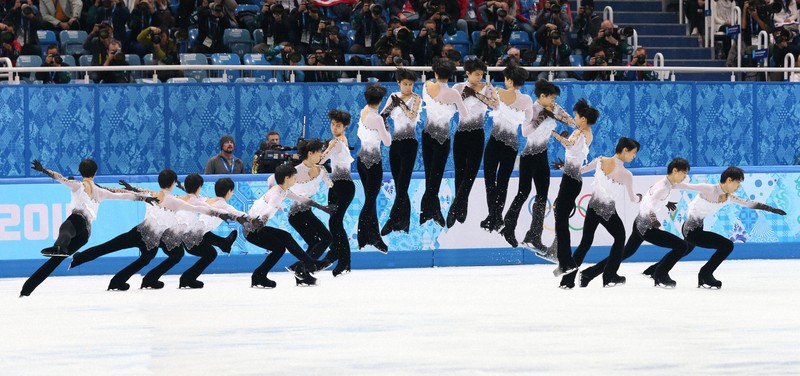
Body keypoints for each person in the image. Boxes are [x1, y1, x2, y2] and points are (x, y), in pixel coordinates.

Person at [70, 170, 238, 290]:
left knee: (111, 246)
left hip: (140, 232)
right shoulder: (174, 200)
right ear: (172, 183)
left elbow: (127, 192)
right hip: (152, 239)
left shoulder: (152, 194)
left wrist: (112, 187)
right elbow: (201, 209)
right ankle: (120, 281)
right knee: (148, 258)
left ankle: (86, 261)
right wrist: (219, 214)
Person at [20, 159, 153, 297]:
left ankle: (60, 246)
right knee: (55, 260)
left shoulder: (77, 186)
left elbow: (60, 178)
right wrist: (144, 198)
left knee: (66, 227)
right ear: (95, 172)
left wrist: (43, 170)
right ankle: (26, 290)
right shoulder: (100, 191)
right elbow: (123, 195)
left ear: (80, 171)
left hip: (77, 222)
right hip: (85, 234)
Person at [641, 166, 786, 289]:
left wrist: (771, 209)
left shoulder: (729, 197)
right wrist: (656, 189)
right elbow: (680, 185)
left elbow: (749, 203)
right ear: (729, 180)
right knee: (727, 245)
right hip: (691, 229)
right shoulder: (707, 189)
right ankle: (704, 275)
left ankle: (653, 270)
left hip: (698, 228)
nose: (738, 187)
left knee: (684, 249)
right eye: (737, 183)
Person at [577, 158, 700, 288]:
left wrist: (666, 203)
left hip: (639, 224)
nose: (685, 177)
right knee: (681, 246)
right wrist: (654, 220)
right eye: (684, 173)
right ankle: (660, 274)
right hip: (647, 228)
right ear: (675, 170)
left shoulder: (665, 183)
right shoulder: (663, 188)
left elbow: (654, 196)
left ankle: (589, 273)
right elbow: (648, 205)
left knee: (624, 253)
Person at [529, 100, 599, 284]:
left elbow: (569, 144)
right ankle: (560, 255)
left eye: (576, 116)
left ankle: (565, 260)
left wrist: (552, 133)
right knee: (559, 214)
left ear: (583, 119)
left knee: (560, 218)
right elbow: (575, 153)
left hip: (571, 180)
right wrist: (564, 165)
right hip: (572, 177)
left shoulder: (579, 132)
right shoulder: (588, 133)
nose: (575, 119)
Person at [558, 137, 643, 289]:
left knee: (586, 242)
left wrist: (565, 167)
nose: (634, 156)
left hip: (592, 206)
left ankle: (567, 281)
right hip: (607, 211)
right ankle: (609, 276)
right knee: (620, 238)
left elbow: (580, 170)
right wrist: (640, 198)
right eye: (633, 153)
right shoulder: (626, 174)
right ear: (625, 150)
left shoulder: (600, 160)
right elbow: (632, 198)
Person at [140, 173, 247, 289]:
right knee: (209, 254)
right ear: (229, 192)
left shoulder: (201, 200)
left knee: (181, 252)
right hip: (180, 236)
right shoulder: (209, 202)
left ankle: (223, 243)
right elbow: (238, 213)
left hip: (175, 233)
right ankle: (186, 278)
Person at [502, 80, 574, 248]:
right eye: (552, 98)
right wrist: (542, 117)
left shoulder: (554, 108)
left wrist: (555, 114)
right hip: (529, 156)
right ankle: (508, 226)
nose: (554, 101)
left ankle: (534, 236)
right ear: (542, 96)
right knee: (523, 192)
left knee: (542, 195)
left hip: (542, 155)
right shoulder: (531, 109)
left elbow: (572, 122)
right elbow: (525, 132)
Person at [243, 163, 331, 288]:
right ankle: (310, 265)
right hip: (253, 229)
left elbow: (302, 199)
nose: (296, 179)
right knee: (280, 246)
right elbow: (269, 208)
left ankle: (260, 276)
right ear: (287, 178)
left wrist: (322, 208)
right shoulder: (276, 194)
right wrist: (264, 219)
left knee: (284, 240)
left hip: (256, 227)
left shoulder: (282, 190)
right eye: (294, 177)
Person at [480, 65, 531, 234]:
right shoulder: (526, 100)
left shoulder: (499, 92)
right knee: (503, 182)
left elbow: (490, 103)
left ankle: (492, 216)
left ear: (509, 80)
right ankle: (497, 217)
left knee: (490, 179)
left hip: (495, 141)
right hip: (512, 144)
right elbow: (529, 119)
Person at [447, 58, 497, 228]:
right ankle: (462, 206)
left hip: (477, 134)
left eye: (482, 74)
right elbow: (451, 108)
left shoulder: (487, 88)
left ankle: (455, 207)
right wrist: (462, 96)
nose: (480, 77)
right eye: (477, 74)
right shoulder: (458, 88)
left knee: (471, 172)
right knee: (459, 172)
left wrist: (477, 94)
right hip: (461, 134)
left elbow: (496, 106)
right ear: (467, 73)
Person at [419, 58, 468, 227]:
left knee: (429, 175)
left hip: (427, 135)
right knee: (436, 176)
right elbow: (464, 113)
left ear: (435, 72)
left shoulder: (426, 86)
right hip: (442, 138)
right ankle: (430, 211)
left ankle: (432, 210)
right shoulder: (454, 93)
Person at [281, 139, 336, 283]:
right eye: (319, 152)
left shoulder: (321, 170)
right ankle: (300, 268)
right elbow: (283, 189)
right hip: (296, 214)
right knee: (325, 238)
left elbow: (332, 186)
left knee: (317, 241)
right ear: (310, 153)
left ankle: (301, 273)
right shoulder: (295, 172)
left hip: (306, 212)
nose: (322, 154)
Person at [381, 68, 421, 235]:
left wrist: (402, 103)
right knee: (399, 186)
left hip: (410, 144)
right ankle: (404, 222)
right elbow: (382, 116)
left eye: (410, 84)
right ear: (399, 83)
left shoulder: (416, 98)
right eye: (405, 84)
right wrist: (386, 131)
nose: (408, 87)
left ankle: (391, 221)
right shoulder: (393, 97)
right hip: (395, 143)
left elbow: (412, 116)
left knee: (403, 183)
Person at [357, 84, 392, 253]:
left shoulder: (363, 110)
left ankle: (374, 237)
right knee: (370, 201)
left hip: (361, 160)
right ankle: (363, 236)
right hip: (373, 163)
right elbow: (387, 142)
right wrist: (386, 128)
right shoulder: (377, 119)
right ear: (380, 100)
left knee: (370, 200)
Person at [320, 109, 355, 276]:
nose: (334, 128)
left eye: (338, 125)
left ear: (345, 126)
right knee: (335, 224)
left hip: (344, 186)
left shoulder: (337, 142)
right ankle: (340, 258)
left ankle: (343, 261)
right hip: (336, 185)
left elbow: (321, 160)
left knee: (335, 223)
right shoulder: (339, 140)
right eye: (333, 124)